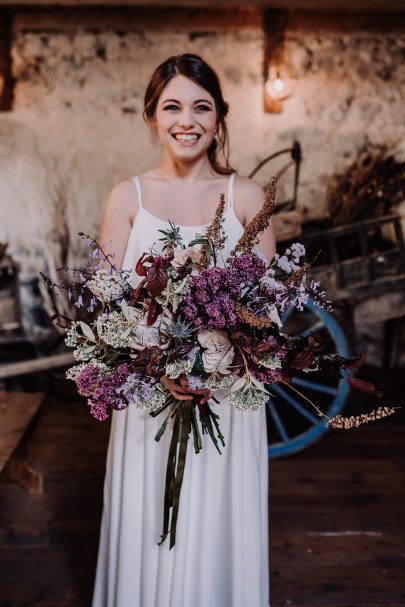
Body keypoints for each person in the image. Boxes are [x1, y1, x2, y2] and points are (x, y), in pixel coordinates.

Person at [92, 53, 276, 607]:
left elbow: (267, 315)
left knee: (217, 520)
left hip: (225, 401)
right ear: (153, 116)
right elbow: (106, 309)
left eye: (201, 107)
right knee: (149, 515)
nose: (187, 120)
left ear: (220, 117)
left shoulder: (249, 198)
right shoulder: (127, 198)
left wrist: (213, 364)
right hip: (149, 401)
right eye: (172, 107)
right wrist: (158, 365)